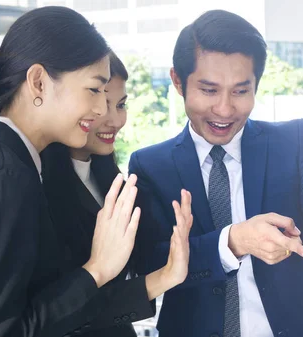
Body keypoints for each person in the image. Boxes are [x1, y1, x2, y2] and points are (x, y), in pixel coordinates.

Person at [0, 6, 187, 337]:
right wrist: (95, 269)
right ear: (38, 81)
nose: (100, 109)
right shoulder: (3, 176)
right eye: (94, 89)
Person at [129, 9, 303, 337]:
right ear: (178, 81)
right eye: (208, 90)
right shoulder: (150, 166)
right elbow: (148, 263)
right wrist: (232, 242)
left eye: (240, 90)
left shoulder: (296, 142)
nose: (224, 108)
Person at [40, 52, 193, 337]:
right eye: (98, 102)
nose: (114, 120)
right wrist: (161, 278)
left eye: (120, 105)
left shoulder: (114, 182)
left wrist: (170, 268)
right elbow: (58, 315)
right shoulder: (37, 186)